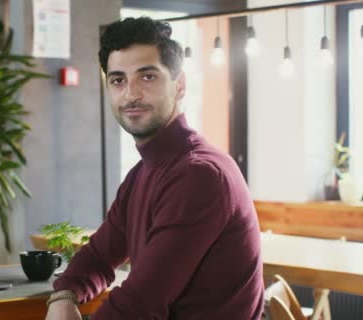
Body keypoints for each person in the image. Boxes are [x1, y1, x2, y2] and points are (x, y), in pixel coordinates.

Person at [44, 17, 264, 319]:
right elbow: (97, 256)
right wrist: (63, 296)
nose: (131, 94)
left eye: (147, 77)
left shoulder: (200, 175)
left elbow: (140, 304)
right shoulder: (142, 174)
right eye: (118, 80)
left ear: (180, 84)